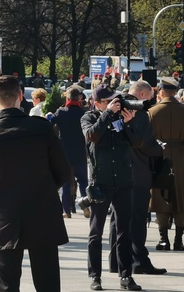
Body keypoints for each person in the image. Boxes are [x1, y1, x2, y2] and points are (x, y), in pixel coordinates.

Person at [0, 75, 72, 292]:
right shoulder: (41, 128)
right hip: (42, 211)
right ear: (20, 96)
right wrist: (43, 188)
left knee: (7, 284)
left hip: (3, 214)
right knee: (48, 282)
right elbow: (63, 172)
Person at [81, 84, 143, 291]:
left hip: (124, 181)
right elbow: (92, 136)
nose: (113, 104)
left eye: (114, 100)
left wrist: (129, 123)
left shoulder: (119, 118)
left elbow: (137, 142)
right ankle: (95, 276)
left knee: (124, 231)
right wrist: (107, 114)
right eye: (107, 101)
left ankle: (126, 275)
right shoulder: (89, 118)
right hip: (101, 182)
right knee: (95, 232)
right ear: (96, 103)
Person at [108, 80, 166, 276]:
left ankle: (116, 261)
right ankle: (139, 260)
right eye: (149, 98)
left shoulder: (115, 107)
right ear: (142, 95)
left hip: (116, 173)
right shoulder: (139, 112)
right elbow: (144, 143)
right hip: (137, 174)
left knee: (118, 219)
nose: (150, 102)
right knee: (138, 218)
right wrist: (159, 148)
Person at [148, 77, 184, 252]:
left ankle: (164, 239)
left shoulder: (153, 112)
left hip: (159, 158)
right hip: (180, 158)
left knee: (160, 196)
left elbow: (147, 141)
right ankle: (179, 240)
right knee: (181, 198)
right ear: (176, 92)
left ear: (161, 92)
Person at [49, 86, 89, 219]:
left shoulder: (61, 112)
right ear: (79, 98)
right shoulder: (84, 113)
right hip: (80, 151)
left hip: (64, 151)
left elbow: (49, 122)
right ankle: (86, 205)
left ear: (67, 98)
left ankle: (66, 211)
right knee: (83, 180)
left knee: (65, 182)